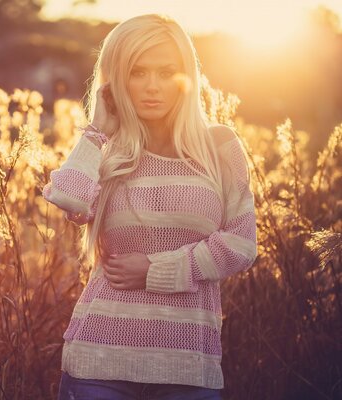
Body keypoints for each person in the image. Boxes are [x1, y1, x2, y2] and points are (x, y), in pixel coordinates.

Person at [42, 13, 258, 400]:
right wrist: (96, 131)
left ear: (186, 76)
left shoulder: (219, 146)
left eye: (166, 72)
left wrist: (156, 270)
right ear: (115, 80)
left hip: (189, 367)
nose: (152, 87)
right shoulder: (107, 150)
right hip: (99, 363)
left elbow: (241, 246)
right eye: (137, 72)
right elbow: (69, 198)